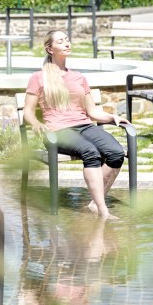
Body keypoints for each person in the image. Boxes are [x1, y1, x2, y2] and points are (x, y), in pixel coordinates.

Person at [23, 30, 130, 220]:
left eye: (67, 40)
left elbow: (92, 112)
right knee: (91, 152)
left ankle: (94, 203)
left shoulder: (79, 77)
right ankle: (103, 210)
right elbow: (28, 113)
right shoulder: (39, 77)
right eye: (61, 41)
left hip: (84, 126)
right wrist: (37, 124)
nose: (67, 43)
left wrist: (112, 117)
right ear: (49, 49)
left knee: (116, 153)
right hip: (57, 131)